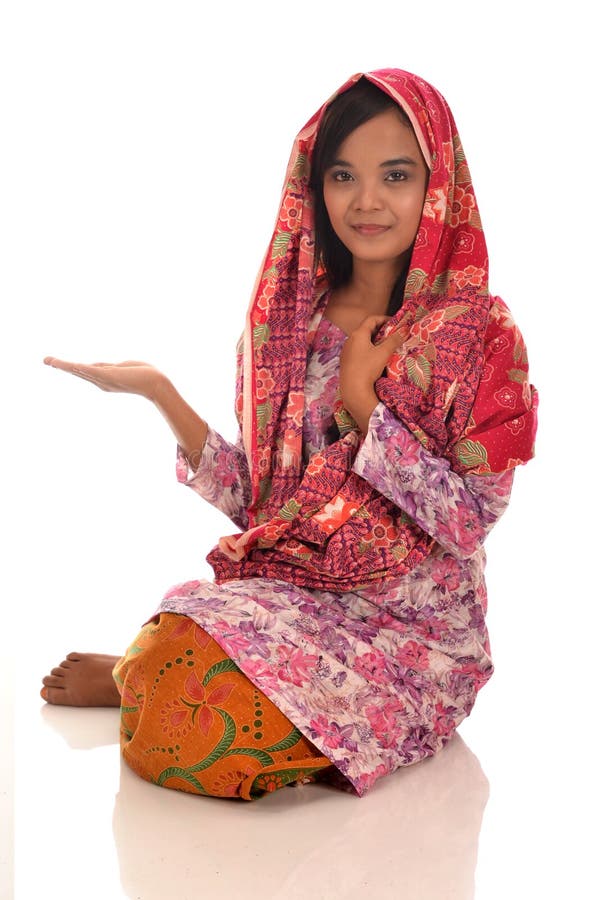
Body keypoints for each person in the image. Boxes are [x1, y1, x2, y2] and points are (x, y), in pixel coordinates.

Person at [41, 69, 538, 800]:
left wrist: (363, 399)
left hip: (413, 639)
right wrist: (159, 392)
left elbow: (468, 520)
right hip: (295, 603)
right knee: (165, 654)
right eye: (343, 176)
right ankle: (154, 676)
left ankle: (199, 691)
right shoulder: (288, 329)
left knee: (192, 733)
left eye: (395, 175)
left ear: (439, 187)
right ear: (316, 187)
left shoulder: (480, 335)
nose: (366, 201)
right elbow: (266, 509)